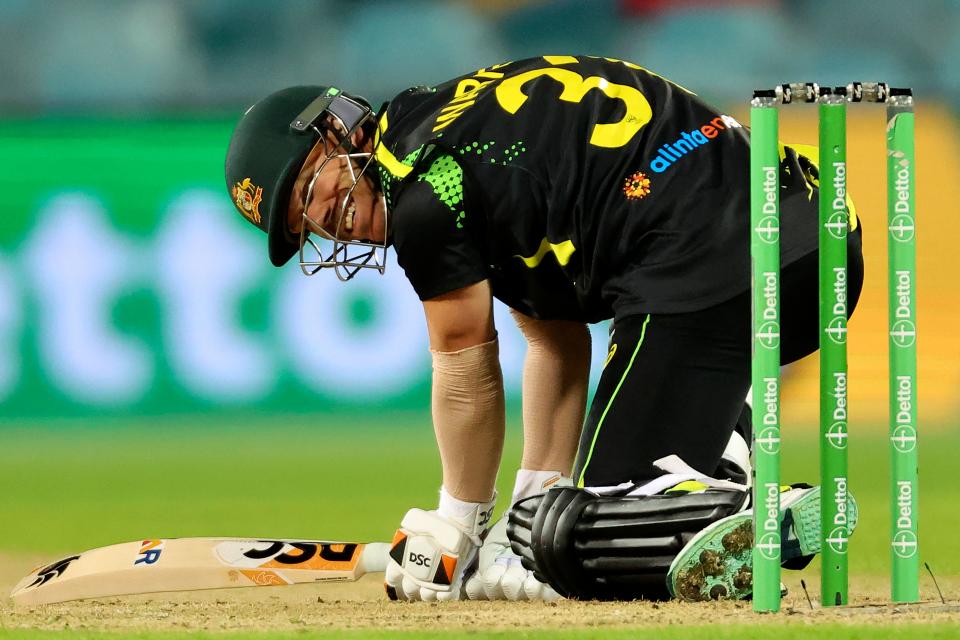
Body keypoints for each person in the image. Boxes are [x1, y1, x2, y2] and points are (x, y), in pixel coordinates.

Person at [224, 55, 863, 603]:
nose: (323, 220)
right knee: (557, 521)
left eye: (310, 184)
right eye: (302, 222)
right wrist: (531, 503)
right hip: (818, 239)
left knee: (584, 539)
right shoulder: (448, 127)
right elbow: (554, 338)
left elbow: (465, 372)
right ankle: (710, 459)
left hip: (720, 259)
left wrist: (457, 525)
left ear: (337, 129)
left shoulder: (422, 187)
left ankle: (755, 513)